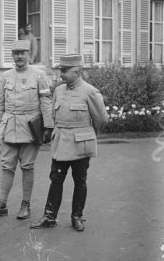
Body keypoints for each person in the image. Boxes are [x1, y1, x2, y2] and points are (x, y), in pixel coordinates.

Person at [30, 54, 109, 231]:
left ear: (78, 71)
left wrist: (88, 134)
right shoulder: (58, 91)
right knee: (56, 179)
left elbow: (101, 119)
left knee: (80, 180)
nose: (62, 74)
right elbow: (54, 115)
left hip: (81, 144)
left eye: (65, 70)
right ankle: (49, 217)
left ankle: (77, 217)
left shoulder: (90, 92)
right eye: (61, 70)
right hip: (61, 142)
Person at [0, 40, 53, 221]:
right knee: (7, 166)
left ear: (29, 54)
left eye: (23, 53)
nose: (19, 56)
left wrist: (48, 127)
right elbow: (0, 102)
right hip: (9, 127)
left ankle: (25, 204)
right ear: (12, 55)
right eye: (16, 53)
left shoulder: (39, 75)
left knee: (27, 167)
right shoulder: (6, 76)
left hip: (30, 128)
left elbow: (46, 101)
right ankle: (1, 205)